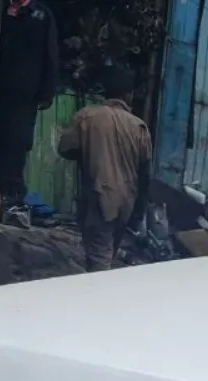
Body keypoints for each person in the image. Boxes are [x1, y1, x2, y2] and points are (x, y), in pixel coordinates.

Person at [58, 66, 154, 272]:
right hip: (126, 203)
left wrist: (89, 150)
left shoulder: (87, 117)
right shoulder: (139, 127)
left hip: (98, 199)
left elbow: (64, 148)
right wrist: (139, 210)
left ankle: (97, 301)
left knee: (99, 262)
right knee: (108, 255)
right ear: (129, 95)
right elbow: (145, 174)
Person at [0, 0, 61, 229]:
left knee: (16, 144)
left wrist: (47, 92)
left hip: (24, 95)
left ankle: (12, 199)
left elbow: (50, 56)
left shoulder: (41, 15)